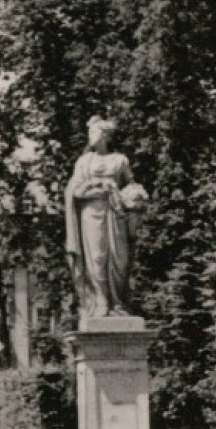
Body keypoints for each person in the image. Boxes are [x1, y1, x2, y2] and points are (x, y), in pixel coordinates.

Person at [64, 117, 147, 318]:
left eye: (92, 132)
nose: (89, 137)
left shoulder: (119, 160)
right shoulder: (84, 161)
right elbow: (74, 190)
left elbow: (132, 184)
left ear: (103, 135)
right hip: (91, 214)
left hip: (116, 213)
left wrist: (135, 196)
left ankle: (118, 303)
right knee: (97, 258)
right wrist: (96, 190)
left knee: (120, 261)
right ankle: (101, 302)